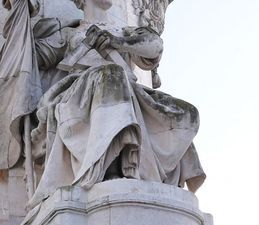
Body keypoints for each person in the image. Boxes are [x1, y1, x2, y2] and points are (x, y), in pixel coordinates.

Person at [15, 0, 205, 206]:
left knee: (188, 113)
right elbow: (30, 56)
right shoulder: (70, 33)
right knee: (111, 76)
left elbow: (154, 46)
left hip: (128, 91)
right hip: (82, 91)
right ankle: (110, 168)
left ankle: (150, 176)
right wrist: (19, 14)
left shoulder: (125, 31)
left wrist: (116, 42)